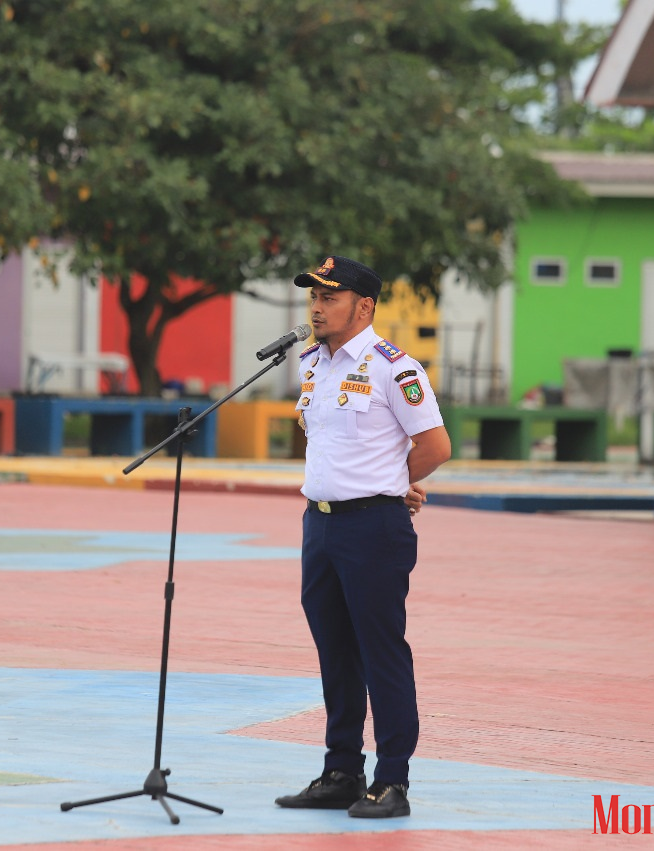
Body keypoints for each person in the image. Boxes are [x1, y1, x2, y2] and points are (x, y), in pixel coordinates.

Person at [274, 255, 451, 819]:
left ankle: (392, 780)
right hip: (319, 523)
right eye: (313, 297)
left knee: (381, 652)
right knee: (335, 652)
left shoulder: (391, 368)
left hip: (372, 527)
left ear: (363, 306)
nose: (317, 307)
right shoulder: (312, 363)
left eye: (329, 297)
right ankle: (342, 770)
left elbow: (435, 445)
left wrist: (394, 484)